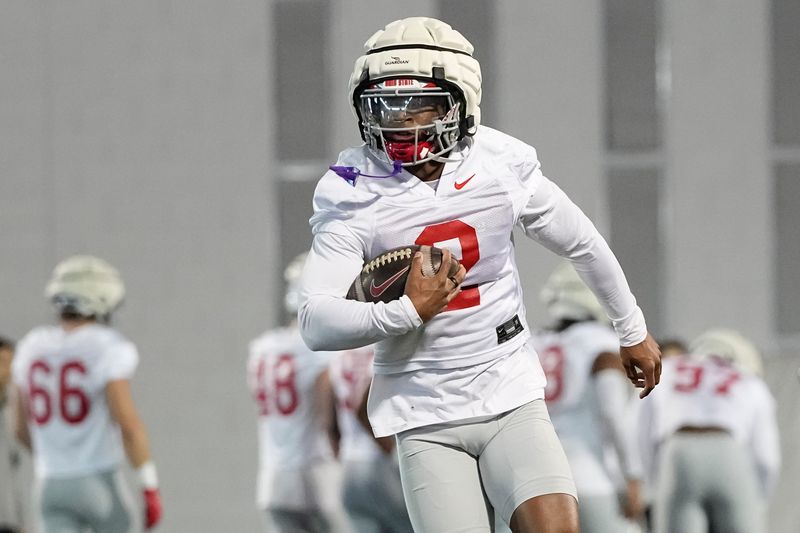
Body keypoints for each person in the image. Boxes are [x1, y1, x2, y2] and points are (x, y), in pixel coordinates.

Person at [298, 17, 662, 533]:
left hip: (508, 387)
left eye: (415, 103)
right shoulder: (352, 187)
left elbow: (581, 241)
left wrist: (632, 328)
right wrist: (406, 310)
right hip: (424, 410)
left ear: (459, 102)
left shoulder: (500, 163)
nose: (397, 122)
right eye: (383, 104)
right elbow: (314, 320)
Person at [11, 255, 162, 532]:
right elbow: (128, 424)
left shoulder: (32, 346)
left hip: (50, 484)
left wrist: (58, 453)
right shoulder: (104, 345)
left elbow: (18, 428)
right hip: (98, 480)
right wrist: (149, 484)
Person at [532, 263, 643, 532]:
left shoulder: (534, 343)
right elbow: (613, 414)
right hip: (588, 477)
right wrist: (633, 477)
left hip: (537, 481)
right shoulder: (601, 345)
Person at [246, 252, 351, 533]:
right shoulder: (318, 351)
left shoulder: (261, 348)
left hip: (272, 476)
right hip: (314, 475)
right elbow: (328, 419)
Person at [637, 328, 780, 533]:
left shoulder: (667, 368)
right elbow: (767, 460)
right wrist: (757, 502)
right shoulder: (749, 381)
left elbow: (640, 431)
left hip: (678, 453)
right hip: (728, 454)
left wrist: (651, 486)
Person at [328, 345, 413, 533]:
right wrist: (394, 455)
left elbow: (330, 422)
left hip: (350, 465)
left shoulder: (338, 353)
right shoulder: (384, 344)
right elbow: (364, 412)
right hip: (380, 462)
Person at [0, 336, 23, 533]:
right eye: (2, 362)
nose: (7, 370)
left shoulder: (15, 411)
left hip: (10, 523)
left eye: (10, 362)